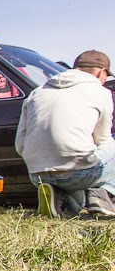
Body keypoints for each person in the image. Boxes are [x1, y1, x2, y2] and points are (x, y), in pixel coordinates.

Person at [15, 50, 115, 217]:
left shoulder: (37, 92)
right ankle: (104, 194)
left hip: (37, 176)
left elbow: (20, 143)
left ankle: (58, 195)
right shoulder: (100, 92)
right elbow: (103, 140)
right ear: (101, 72)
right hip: (77, 174)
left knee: (77, 204)